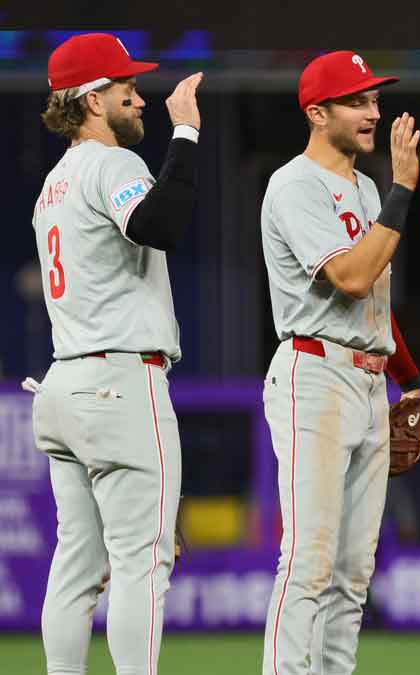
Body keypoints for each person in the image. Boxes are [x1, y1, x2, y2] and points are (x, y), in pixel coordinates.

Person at [29, 32, 202, 675]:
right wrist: (184, 135)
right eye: (124, 84)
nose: (139, 94)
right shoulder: (111, 165)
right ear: (91, 99)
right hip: (118, 382)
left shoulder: (53, 183)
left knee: (77, 563)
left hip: (63, 385)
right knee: (142, 560)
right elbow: (158, 224)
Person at [258, 50, 420, 675]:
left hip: (367, 382)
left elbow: (374, 311)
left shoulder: (360, 187)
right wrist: (405, 188)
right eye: (357, 102)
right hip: (315, 374)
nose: (372, 112)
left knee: (354, 574)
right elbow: (352, 279)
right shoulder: (295, 183)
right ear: (316, 111)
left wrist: (413, 382)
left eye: (374, 100)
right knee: (310, 559)